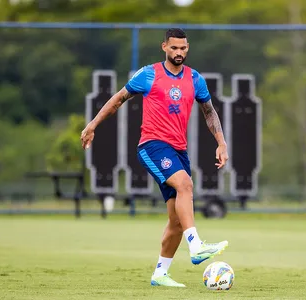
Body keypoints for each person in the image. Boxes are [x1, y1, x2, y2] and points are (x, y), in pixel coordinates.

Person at [81, 28, 229, 288]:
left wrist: (221, 142)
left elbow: (209, 111)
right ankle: (196, 246)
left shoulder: (195, 79)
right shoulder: (148, 74)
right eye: (174, 48)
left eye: (183, 48)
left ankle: (161, 273)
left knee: (176, 220)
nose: (179, 52)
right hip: (152, 146)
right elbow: (117, 100)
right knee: (185, 185)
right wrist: (92, 125)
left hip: (178, 151)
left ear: (188, 48)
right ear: (164, 47)